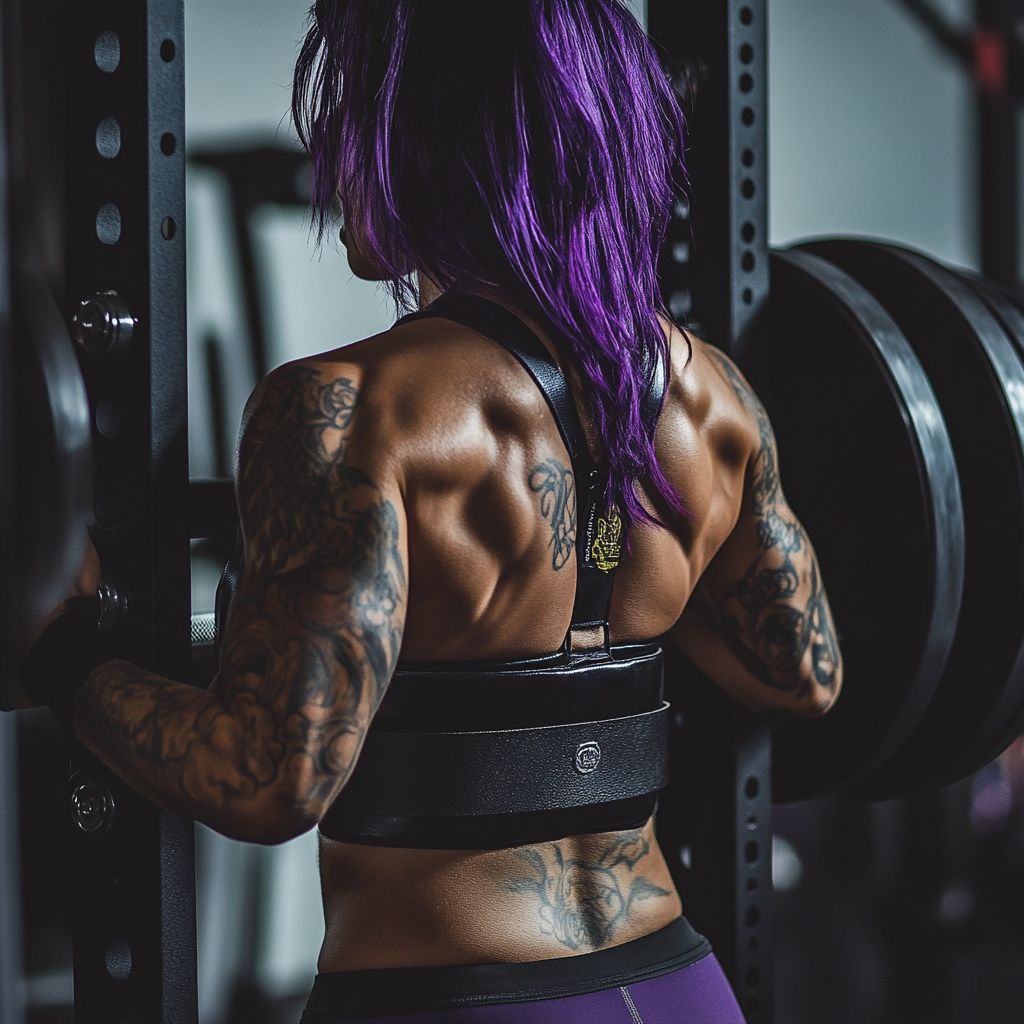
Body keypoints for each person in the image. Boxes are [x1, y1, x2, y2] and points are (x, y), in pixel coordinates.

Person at [25, 1, 842, 1020]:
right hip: (678, 984)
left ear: (431, 139)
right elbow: (802, 672)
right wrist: (620, 622)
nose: (334, 155)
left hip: (450, 997)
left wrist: (61, 650)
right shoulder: (711, 397)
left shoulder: (350, 409)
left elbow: (267, 774)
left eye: (356, 117)